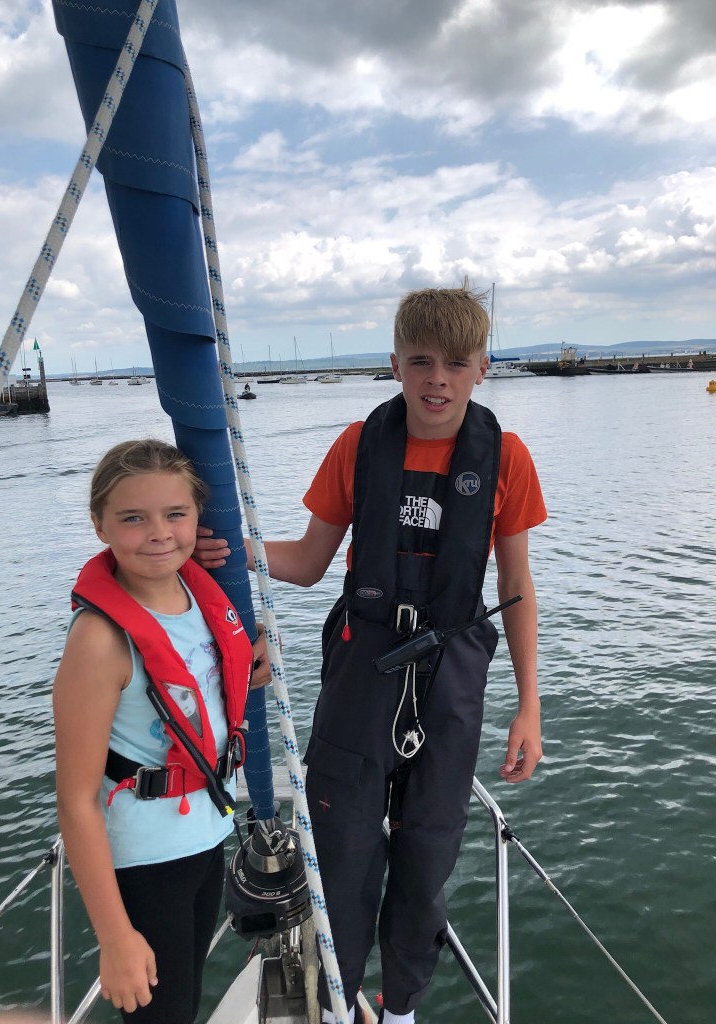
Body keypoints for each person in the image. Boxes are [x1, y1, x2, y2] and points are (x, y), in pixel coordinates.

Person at [197, 286, 547, 1024]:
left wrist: (529, 706)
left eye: (455, 364)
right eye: (420, 362)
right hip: (363, 670)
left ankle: (400, 1009)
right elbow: (309, 562)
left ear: (482, 368)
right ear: (394, 364)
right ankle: (336, 1002)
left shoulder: (507, 458)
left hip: (451, 676)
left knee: (429, 851)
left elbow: (515, 586)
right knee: (343, 846)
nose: (437, 380)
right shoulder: (359, 446)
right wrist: (233, 552)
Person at [53, 439, 270, 1023]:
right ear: (99, 525)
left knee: (185, 1001)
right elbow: (75, 800)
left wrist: (248, 662)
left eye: (175, 514)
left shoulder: (199, 594)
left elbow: (202, 680)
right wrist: (115, 937)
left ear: (198, 519)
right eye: (133, 518)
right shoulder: (99, 640)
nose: (158, 534)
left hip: (208, 836)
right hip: (146, 863)